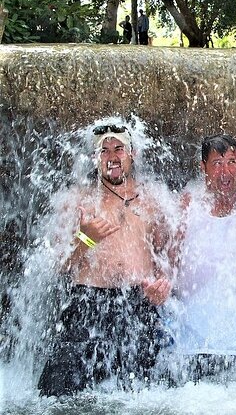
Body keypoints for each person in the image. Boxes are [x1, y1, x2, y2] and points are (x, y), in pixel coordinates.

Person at [37, 123, 172, 396]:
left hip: (136, 305)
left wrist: (161, 291)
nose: (112, 156)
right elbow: (58, 266)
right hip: (87, 305)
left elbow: (164, 263)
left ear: (131, 154)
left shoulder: (153, 201)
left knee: (144, 397)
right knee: (53, 395)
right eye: (104, 150)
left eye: (118, 149)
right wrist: (84, 240)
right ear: (96, 158)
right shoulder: (78, 201)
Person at [172, 134, 236, 382]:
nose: (225, 171)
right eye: (217, 163)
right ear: (203, 166)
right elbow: (170, 262)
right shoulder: (188, 205)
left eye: (231, 162)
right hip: (195, 343)